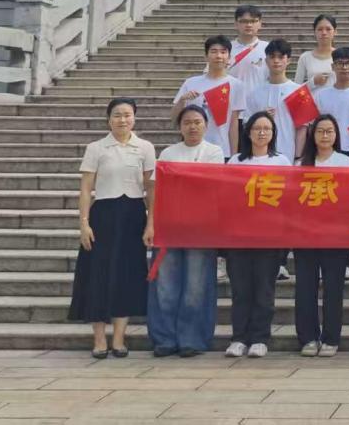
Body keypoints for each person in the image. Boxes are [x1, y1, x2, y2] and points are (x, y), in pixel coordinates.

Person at [70, 97, 155, 359]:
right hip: (103, 216)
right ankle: (99, 339)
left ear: (134, 118)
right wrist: (84, 224)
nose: (123, 120)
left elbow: (150, 189)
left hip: (133, 216)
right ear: (108, 119)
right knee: (98, 275)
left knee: (126, 276)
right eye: (117, 115)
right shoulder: (96, 148)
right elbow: (86, 189)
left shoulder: (145, 148)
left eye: (127, 115)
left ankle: (119, 339)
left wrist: (151, 222)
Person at [148, 105, 223, 358]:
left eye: (197, 122)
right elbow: (158, 189)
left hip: (201, 228)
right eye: (187, 122)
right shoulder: (169, 153)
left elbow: (209, 186)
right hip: (169, 225)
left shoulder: (214, 152)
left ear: (206, 126)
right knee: (165, 285)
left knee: (196, 286)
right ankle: (165, 338)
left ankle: (192, 339)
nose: (192, 127)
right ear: (180, 127)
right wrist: (152, 222)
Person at [224, 111, 291, 358]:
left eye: (267, 129)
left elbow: (288, 200)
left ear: (273, 134)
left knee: (264, 289)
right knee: (241, 289)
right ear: (248, 132)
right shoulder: (235, 162)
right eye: (257, 128)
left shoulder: (281, 162)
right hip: (239, 236)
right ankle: (239, 338)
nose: (262, 133)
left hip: (269, 236)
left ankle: (260, 338)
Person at [294, 114, 349, 357]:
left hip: (335, 236)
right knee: (305, 287)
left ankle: (331, 338)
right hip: (305, 235)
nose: (325, 136)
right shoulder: (301, 164)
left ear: (336, 135)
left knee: (333, 288)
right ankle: (308, 338)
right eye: (320, 131)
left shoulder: (345, 162)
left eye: (330, 131)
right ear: (312, 135)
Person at [172, 35, 246, 156]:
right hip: (192, 149)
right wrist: (182, 100)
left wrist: (233, 155)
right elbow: (174, 119)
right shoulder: (191, 83)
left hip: (222, 150)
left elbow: (234, 123)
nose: (218, 56)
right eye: (214, 51)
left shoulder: (237, 85)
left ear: (229, 57)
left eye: (223, 52)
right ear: (206, 56)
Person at [247, 38, 302, 170]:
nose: (276, 61)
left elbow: (302, 128)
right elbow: (247, 124)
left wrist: (298, 157)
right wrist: (261, 117)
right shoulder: (255, 92)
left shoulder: (298, 91)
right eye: (272, 57)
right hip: (259, 156)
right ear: (266, 60)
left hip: (288, 152)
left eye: (281, 57)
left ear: (288, 60)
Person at [228, 4, 269, 104]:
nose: (249, 25)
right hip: (231, 105)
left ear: (260, 23)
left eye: (253, 21)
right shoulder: (225, 49)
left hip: (259, 106)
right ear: (236, 24)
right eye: (244, 21)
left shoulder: (268, 49)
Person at [294, 14, 338, 93]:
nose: (324, 33)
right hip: (312, 100)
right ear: (314, 32)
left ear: (335, 32)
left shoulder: (341, 56)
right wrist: (313, 82)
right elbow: (296, 88)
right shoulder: (305, 57)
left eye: (328, 29)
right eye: (320, 29)